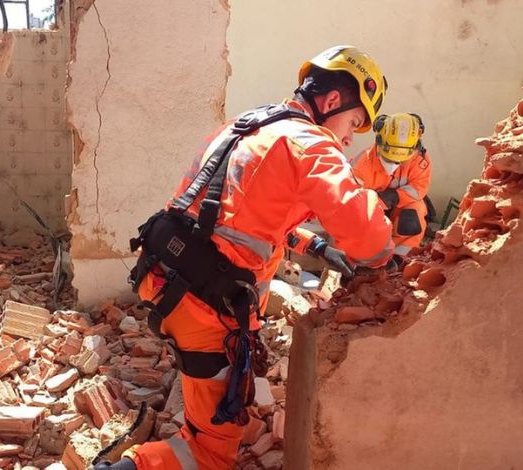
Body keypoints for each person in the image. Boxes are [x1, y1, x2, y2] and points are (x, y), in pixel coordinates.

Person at [100, 45, 394, 470]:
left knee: (234, 402)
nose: (349, 138)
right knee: (207, 452)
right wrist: (385, 244)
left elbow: (240, 217)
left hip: (170, 272)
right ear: (332, 102)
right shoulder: (310, 144)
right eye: (352, 122)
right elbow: (370, 238)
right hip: (203, 304)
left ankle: (217, 415)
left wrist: (318, 248)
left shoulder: (250, 126)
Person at [351, 112, 433, 269]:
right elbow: (352, 203)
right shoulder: (362, 163)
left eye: (401, 160)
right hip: (370, 208)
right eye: (389, 158)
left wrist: (395, 196)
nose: (394, 163)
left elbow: (419, 188)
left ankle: (399, 259)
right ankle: (358, 264)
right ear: (379, 143)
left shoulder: (420, 160)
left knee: (415, 211)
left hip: (401, 205)